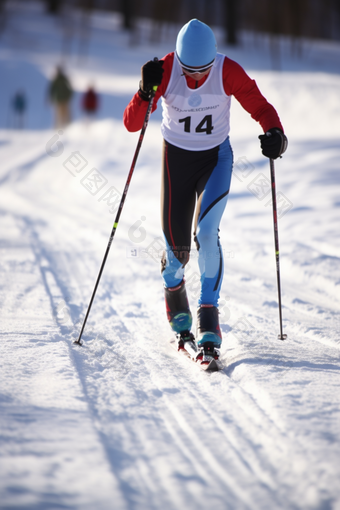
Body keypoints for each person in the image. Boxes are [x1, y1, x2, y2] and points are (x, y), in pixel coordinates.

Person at [123, 19, 287, 359]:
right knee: (177, 254)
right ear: (179, 63)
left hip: (215, 159)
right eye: (189, 72)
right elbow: (132, 124)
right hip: (176, 163)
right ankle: (176, 299)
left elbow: (261, 107)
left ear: (214, 61)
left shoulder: (228, 71)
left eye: (203, 71)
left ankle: (208, 315)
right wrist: (144, 92)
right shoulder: (165, 71)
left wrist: (275, 133)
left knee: (208, 233)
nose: (196, 79)